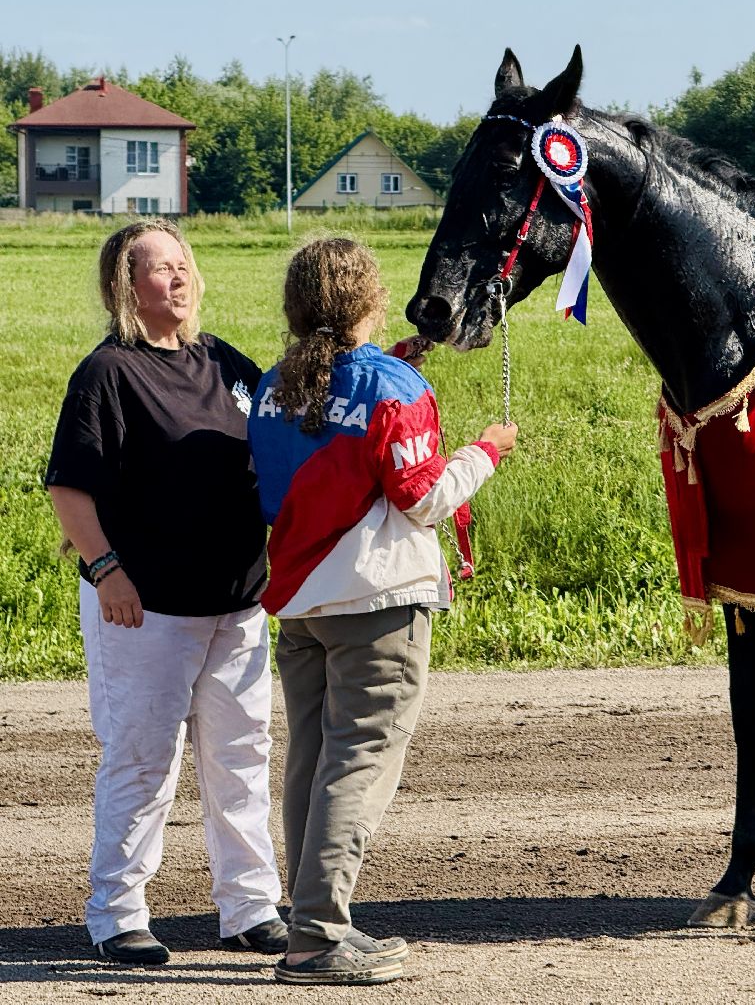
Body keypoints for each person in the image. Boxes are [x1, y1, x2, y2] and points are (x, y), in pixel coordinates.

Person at [247, 237, 517, 986]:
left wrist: (391, 365)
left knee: (312, 764)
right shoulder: (390, 384)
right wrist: (486, 450)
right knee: (357, 766)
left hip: (301, 603)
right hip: (378, 600)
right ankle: (317, 939)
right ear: (368, 300)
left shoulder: (276, 384)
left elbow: (326, 440)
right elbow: (424, 496)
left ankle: (311, 920)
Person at [46, 219, 287, 965]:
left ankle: (249, 907)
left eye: (182, 264)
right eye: (157, 268)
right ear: (126, 285)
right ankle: (117, 915)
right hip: (145, 607)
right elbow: (69, 488)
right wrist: (106, 569)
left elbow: (290, 426)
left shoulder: (228, 365)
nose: (176, 278)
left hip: (237, 603)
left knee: (243, 758)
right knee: (143, 761)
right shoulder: (109, 373)